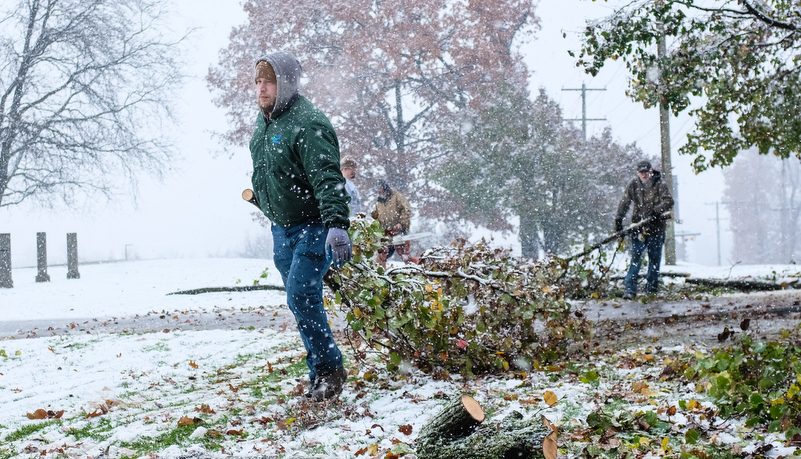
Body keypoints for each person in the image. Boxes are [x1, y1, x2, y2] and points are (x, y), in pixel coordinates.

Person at [250, 51, 352, 401]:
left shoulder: (308, 122)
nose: (261, 88)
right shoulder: (265, 122)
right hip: (283, 227)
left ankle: (329, 370)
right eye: (258, 80)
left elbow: (327, 176)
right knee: (300, 301)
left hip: (315, 225)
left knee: (301, 294)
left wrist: (337, 224)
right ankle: (319, 371)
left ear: (286, 84)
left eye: (269, 81)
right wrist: (266, 204)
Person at [614, 160, 674, 299]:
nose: (644, 174)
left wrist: (656, 211)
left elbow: (669, 201)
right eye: (641, 172)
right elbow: (624, 202)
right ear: (637, 173)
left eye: (647, 171)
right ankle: (630, 290)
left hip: (656, 228)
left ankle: (651, 289)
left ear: (651, 171)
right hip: (638, 227)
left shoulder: (660, 184)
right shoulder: (633, 184)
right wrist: (618, 219)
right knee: (635, 258)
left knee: (654, 259)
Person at [371, 180, 413, 266]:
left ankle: (414, 270)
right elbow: (377, 217)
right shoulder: (379, 202)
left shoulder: (397, 197)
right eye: (376, 189)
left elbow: (406, 210)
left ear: (385, 187)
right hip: (385, 233)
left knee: (404, 255)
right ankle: (380, 274)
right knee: (381, 256)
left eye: (380, 188)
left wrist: (401, 223)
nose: (378, 191)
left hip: (399, 231)